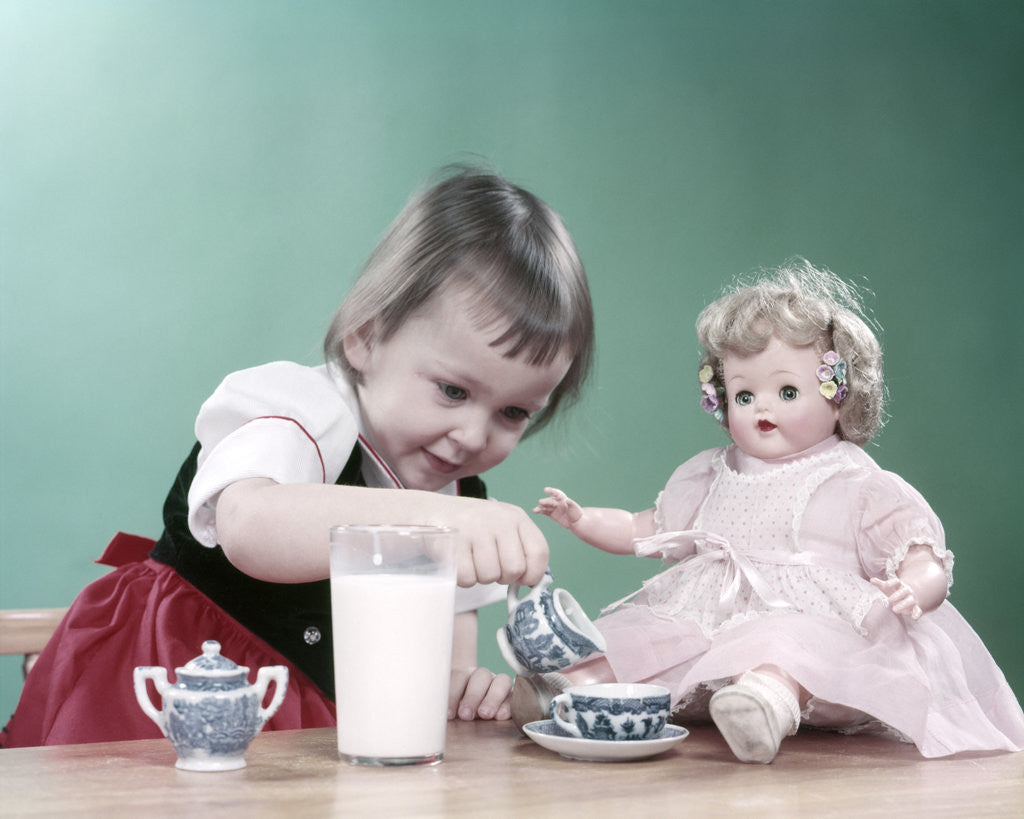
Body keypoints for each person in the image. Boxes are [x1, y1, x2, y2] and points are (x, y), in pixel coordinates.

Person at [1, 165, 595, 747]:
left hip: (317, 719)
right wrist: (435, 523)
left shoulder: (458, 494)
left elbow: (447, 642)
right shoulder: (302, 412)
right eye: (453, 391)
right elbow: (250, 526)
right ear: (365, 335)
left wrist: (462, 686)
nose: (471, 436)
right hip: (175, 684)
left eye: (513, 413)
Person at [524, 259, 1024, 763]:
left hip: (813, 625)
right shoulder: (710, 475)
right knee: (638, 636)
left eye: (787, 391)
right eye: (744, 394)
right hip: (707, 619)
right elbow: (646, 528)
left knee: (783, 644)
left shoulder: (857, 483)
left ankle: (764, 704)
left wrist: (915, 585)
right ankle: (568, 690)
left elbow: (920, 551)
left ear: (840, 396)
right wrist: (582, 519)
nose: (763, 407)